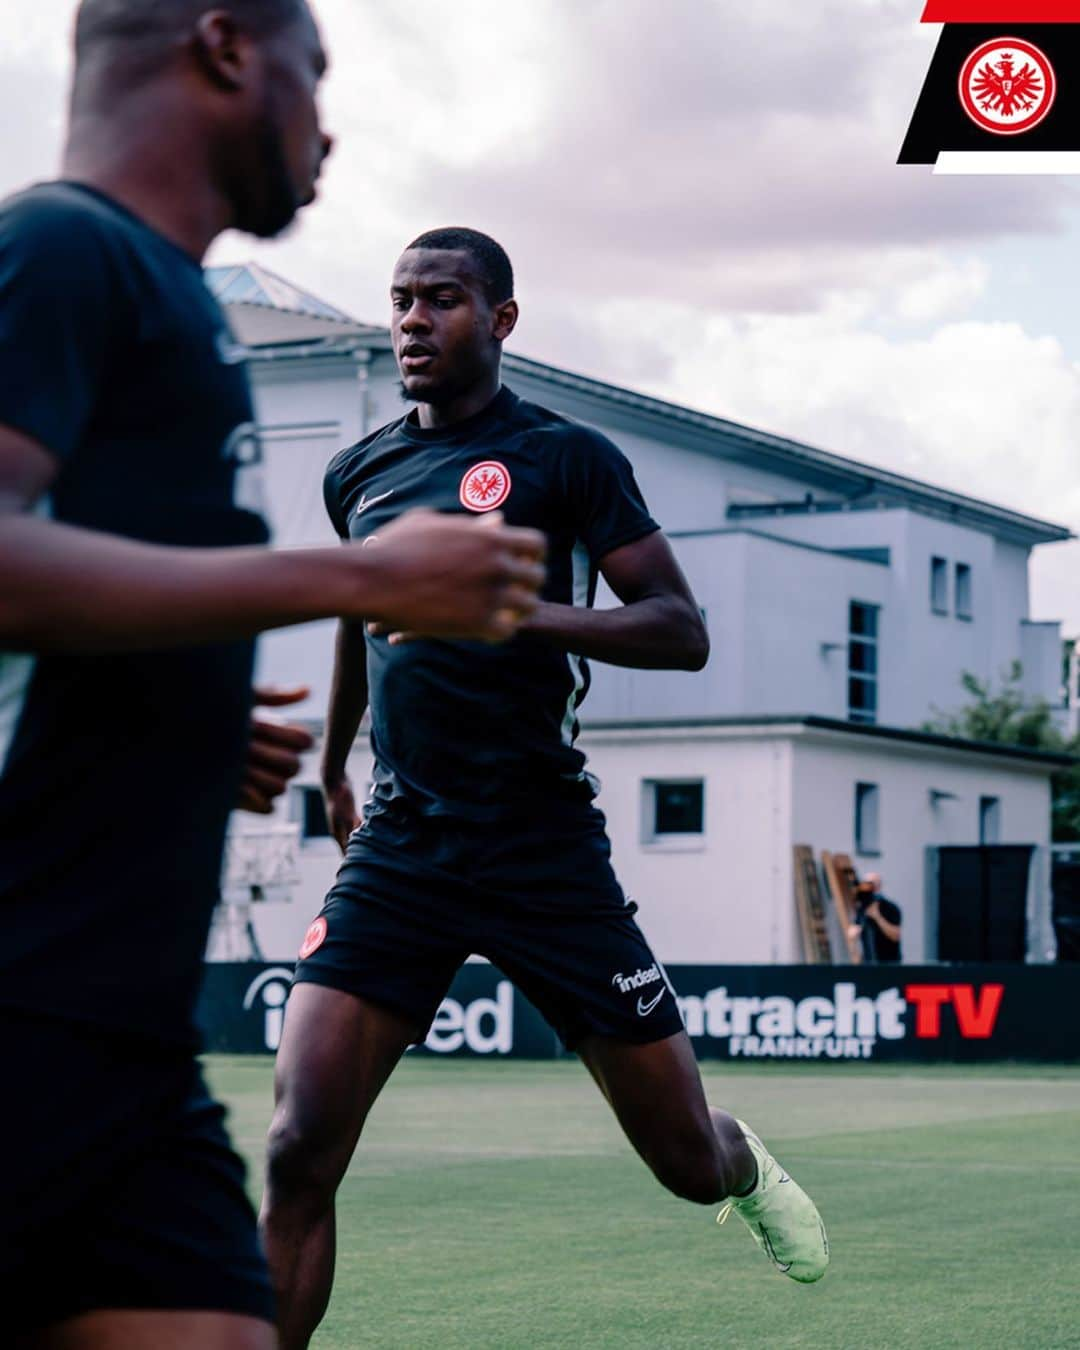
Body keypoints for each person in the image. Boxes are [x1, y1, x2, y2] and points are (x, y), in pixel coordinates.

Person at [0, 6, 546, 1346]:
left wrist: (175, 712)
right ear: (228, 45)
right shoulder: (59, 250)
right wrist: (354, 578)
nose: (328, 124)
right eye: (318, 73)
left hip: (125, 1039)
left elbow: (70, 591)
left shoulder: (178, 301)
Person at [259, 228, 829, 1349]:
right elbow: (354, 614)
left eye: (444, 301)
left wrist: (514, 615)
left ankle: (743, 1162)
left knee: (683, 1168)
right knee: (295, 1147)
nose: (415, 322)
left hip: (544, 851)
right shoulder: (358, 472)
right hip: (404, 847)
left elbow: (681, 630)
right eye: (402, 301)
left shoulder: (567, 460)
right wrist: (332, 763)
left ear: (502, 319)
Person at [849, 874, 903, 963]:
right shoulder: (863, 909)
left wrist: (877, 916)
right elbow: (854, 930)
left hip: (889, 964)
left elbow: (896, 936)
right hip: (868, 964)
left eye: (872, 884)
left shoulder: (890, 908)